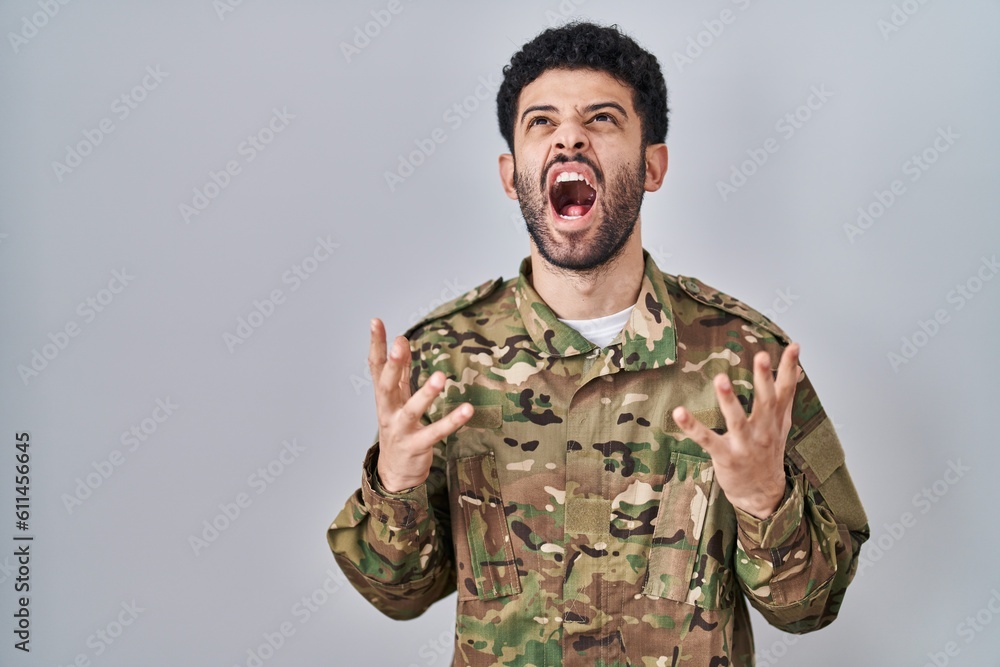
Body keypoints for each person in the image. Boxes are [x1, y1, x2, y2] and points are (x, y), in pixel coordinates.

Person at [327, 21, 869, 667]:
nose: (569, 136)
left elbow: (812, 604)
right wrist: (395, 483)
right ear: (511, 175)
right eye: (541, 122)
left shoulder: (748, 360)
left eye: (602, 118)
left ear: (653, 165)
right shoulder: (442, 361)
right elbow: (396, 593)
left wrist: (763, 501)